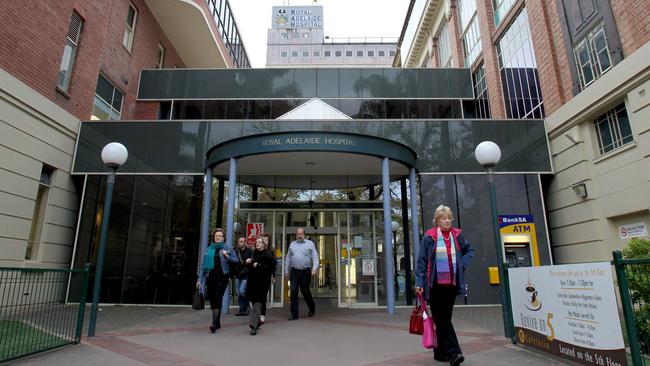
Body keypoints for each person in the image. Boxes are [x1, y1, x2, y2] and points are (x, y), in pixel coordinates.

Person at [415, 205, 474, 366]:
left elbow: (469, 250)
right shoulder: (429, 237)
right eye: (443, 218)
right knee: (443, 320)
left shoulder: (457, 236)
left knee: (444, 319)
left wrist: (462, 264)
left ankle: (440, 352)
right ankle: (454, 353)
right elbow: (422, 262)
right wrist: (419, 282)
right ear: (437, 220)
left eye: (449, 217)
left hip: (452, 284)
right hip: (434, 285)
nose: (447, 220)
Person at [196, 228, 239, 333]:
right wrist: (199, 280)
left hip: (222, 278)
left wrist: (227, 255)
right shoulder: (209, 249)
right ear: (214, 237)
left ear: (223, 238)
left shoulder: (228, 248)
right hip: (210, 277)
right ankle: (217, 321)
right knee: (212, 299)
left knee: (217, 298)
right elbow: (203, 266)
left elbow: (236, 260)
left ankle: (214, 324)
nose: (218, 237)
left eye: (220, 236)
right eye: (216, 236)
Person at [284, 227, 319, 320]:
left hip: (305, 271)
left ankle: (312, 306)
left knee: (305, 291)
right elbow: (288, 258)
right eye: (298, 234)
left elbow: (315, 257)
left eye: (301, 234)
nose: (299, 236)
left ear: (304, 234)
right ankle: (294, 314)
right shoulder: (292, 244)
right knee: (293, 291)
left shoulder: (310, 244)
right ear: (296, 235)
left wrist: (314, 268)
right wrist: (286, 271)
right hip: (294, 271)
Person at [245, 236, 275, 335]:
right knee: (254, 303)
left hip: (262, 283)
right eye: (256, 242)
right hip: (252, 282)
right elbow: (250, 267)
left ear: (264, 244)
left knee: (257, 303)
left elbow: (270, 268)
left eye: (259, 242)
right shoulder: (253, 253)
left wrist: (258, 265)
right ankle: (257, 322)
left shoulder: (268, 254)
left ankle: (253, 326)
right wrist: (248, 262)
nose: (257, 243)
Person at [259, 233, 276, 326]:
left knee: (263, 296)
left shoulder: (271, 251)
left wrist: (273, 276)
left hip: (266, 276)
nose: (265, 241)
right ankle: (257, 313)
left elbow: (274, 265)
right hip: (257, 277)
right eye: (263, 239)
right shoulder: (257, 250)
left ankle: (262, 315)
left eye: (266, 240)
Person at [234, 236, 253, 316]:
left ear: (245, 243)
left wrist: (250, 260)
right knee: (238, 293)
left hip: (246, 274)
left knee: (242, 291)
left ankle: (247, 306)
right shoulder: (236, 251)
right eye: (239, 241)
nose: (240, 243)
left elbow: (252, 261)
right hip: (238, 274)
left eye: (241, 241)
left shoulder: (250, 251)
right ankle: (242, 309)